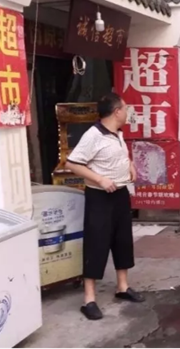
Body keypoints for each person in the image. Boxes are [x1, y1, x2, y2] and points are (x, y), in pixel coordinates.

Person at [66, 93, 144, 321]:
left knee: (122, 240)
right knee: (96, 243)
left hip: (120, 193)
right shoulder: (93, 135)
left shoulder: (118, 133)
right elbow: (72, 163)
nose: (127, 112)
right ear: (116, 112)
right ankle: (89, 299)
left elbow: (119, 156)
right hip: (99, 197)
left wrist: (130, 165)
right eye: (125, 108)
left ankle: (122, 287)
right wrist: (100, 179)